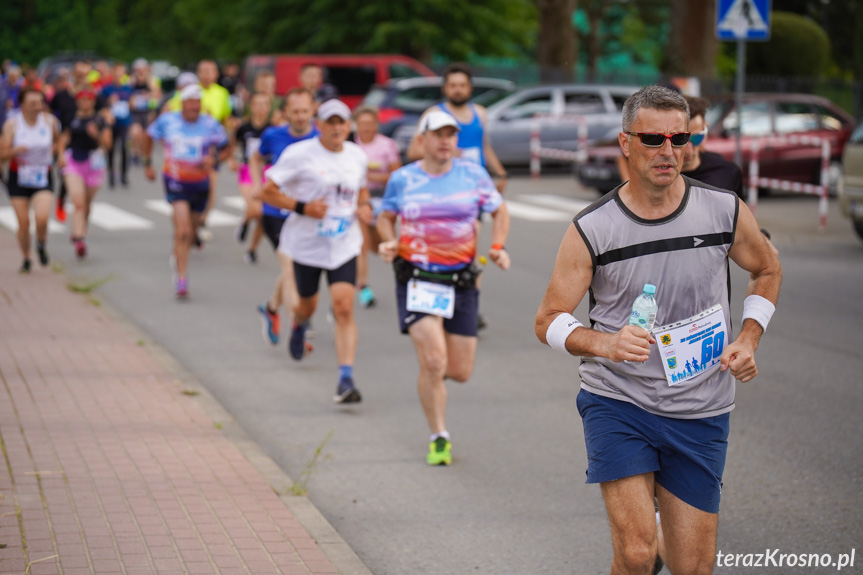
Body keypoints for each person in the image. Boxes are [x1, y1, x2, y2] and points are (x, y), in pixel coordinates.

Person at [534, 85, 782, 575]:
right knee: (637, 553)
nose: (669, 151)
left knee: (692, 567)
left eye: (679, 137)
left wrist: (749, 337)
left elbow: (767, 269)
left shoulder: (723, 209)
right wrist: (605, 341)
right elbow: (548, 321)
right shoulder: (593, 227)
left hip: (702, 407)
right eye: (653, 139)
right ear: (626, 143)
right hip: (619, 401)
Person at [377, 110, 511, 466]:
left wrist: (496, 248)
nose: (445, 140)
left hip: (461, 281)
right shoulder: (402, 179)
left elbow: (500, 211)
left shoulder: (473, 174)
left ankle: (431, 377)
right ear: (422, 140)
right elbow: (385, 217)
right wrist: (388, 242)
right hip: (418, 278)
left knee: (460, 371)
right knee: (435, 361)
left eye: (451, 134)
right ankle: (439, 436)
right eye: (438, 134)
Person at [259, 99, 372, 404]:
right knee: (306, 306)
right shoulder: (299, 154)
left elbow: (361, 189)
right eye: (330, 122)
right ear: (318, 125)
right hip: (308, 245)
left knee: (344, 307)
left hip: (343, 243)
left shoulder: (356, 156)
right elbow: (266, 191)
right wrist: (302, 207)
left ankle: (345, 378)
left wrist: (364, 206)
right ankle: (298, 324)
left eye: (342, 122)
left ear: (348, 126)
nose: (336, 128)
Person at [407, 62, 509, 331]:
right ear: (445, 88)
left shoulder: (480, 114)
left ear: (469, 88)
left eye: (462, 85)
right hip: (442, 194)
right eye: (452, 85)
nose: (457, 90)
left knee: (470, 251)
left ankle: (469, 306)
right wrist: (450, 154)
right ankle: (442, 301)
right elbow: (413, 152)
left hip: (473, 193)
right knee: (450, 250)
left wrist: (499, 172)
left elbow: (484, 147)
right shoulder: (434, 114)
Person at [144, 85, 229, 298]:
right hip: (175, 181)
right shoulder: (168, 120)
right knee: (182, 231)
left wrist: (215, 159)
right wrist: (147, 163)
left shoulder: (210, 124)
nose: (194, 106)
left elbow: (227, 146)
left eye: (197, 102)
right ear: (182, 103)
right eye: (190, 102)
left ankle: (180, 251)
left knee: (191, 232)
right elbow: (149, 136)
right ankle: (182, 279)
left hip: (200, 183)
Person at [250, 88, 318, 346]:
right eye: (295, 111)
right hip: (276, 213)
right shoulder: (273, 135)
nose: (300, 116)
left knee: (294, 267)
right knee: (291, 268)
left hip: (306, 215)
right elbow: (255, 158)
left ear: (313, 110)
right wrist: (258, 184)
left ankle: (270, 307)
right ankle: (298, 325)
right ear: (286, 112)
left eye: (305, 111)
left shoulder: (320, 138)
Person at [0, 88, 63, 272]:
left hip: (42, 174)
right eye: (32, 104)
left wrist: (58, 154)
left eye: (40, 103)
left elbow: (59, 140)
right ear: (22, 105)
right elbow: (2, 154)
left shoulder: (49, 121)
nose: (38, 107)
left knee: (42, 217)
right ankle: (26, 257)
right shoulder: (13, 125)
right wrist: (15, 150)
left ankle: (41, 244)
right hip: (18, 176)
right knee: (23, 223)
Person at [352, 105, 401, 308]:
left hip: (383, 199)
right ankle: (364, 288)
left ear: (376, 125)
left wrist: (371, 176)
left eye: (370, 124)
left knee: (381, 244)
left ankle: (406, 279)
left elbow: (396, 175)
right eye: (362, 124)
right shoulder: (351, 146)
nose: (366, 128)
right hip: (359, 199)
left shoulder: (387, 145)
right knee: (361, 245)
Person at [61, 89, 113, 258]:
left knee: (87, 203)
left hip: (94, 162)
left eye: (88, 99)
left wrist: (96, 134)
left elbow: (108, 143)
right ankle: (79, 237)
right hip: (74, 161)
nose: (85, 103)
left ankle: (83, 226)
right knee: (78, 202)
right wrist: (60, 153)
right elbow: (64, 138)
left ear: (92, 101)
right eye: (81, 99)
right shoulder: (71, 118)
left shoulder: (99, 119)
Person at [232, 92, 272, 263]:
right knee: (256, 209)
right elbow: (231, 144)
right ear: (252, 107)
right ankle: (245, 221)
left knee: (265, 215)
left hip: (268, 172)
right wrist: (230, 160)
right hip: (247, 170)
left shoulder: (273, 130)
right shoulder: (244, 128)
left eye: (264, 104)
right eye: (258, 104)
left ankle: (252, 249)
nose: (261, 108)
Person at [48, 68, 76, 222]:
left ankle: (62, 198)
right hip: (62, 138)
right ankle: (55, 197)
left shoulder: (86, 96)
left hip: (80, 139)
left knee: (68, 174)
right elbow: (50, 114)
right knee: (61, 171)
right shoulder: (60, 96)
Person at [100, 63, 134, 188]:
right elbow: (101, 106)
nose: (118, 76)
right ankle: (111, 175)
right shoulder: (106, 89)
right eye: (116, 73)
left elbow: (132, 104)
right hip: (111, 124)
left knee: (125, 149)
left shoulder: (128, 89)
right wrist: (109, 102)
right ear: (112, 74)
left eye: (121, 73)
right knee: (111, 150)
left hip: (124, 123)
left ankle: (124, 175)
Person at [128, 59, 162, 164]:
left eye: (142, 70)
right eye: (138, 70)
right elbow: (126, 94)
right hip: (135, 112)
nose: (140, 72)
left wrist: (148, 84)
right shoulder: (131, 81)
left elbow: (157, 95)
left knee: (145, 135)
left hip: (148, 112)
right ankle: (135, 152)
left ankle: (143, 155)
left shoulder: (152, 80)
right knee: (135, 133)